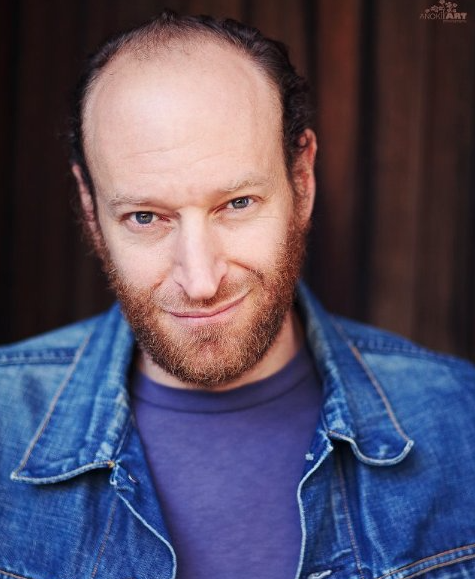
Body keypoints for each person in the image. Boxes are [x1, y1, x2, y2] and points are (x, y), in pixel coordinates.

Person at [0, 10, 474, 579]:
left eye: (238, 204)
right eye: (145, 217)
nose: (200, 281)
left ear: (302, 179)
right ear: (88, 205)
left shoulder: (461, 424)